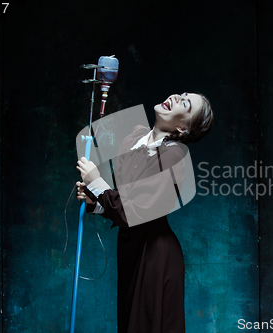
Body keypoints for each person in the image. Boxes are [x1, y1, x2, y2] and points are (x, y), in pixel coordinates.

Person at [75, 93, 213, 333]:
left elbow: (134, 210)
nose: (176, 97)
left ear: (182, 126)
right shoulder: (133, 140)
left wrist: (97, 184)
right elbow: (126, 200)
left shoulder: (175, 156)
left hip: (156, 257)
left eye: (185, 103)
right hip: (131, 250)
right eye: (181, 94)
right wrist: (95, 200)